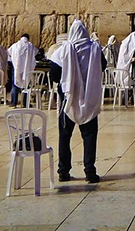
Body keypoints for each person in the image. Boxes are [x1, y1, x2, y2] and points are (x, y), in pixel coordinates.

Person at [49, 20, 104, 184]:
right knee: (89, 135)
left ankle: (63, 171)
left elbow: (54, 76)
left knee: (65, 136)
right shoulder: (95, 49)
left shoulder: (62, 51)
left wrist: (70, 81)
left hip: (69, 100)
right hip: (89, 99)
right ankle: (90, 171)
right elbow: (103, 66)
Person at [8, 33, 37, 108]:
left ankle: (14, 103)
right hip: (27, 69)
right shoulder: (30, 46)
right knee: (26, 85)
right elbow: (36, 53)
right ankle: (25, 103)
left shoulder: (15, 45)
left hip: (16, 67)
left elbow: (9, 53)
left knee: (15, 84)